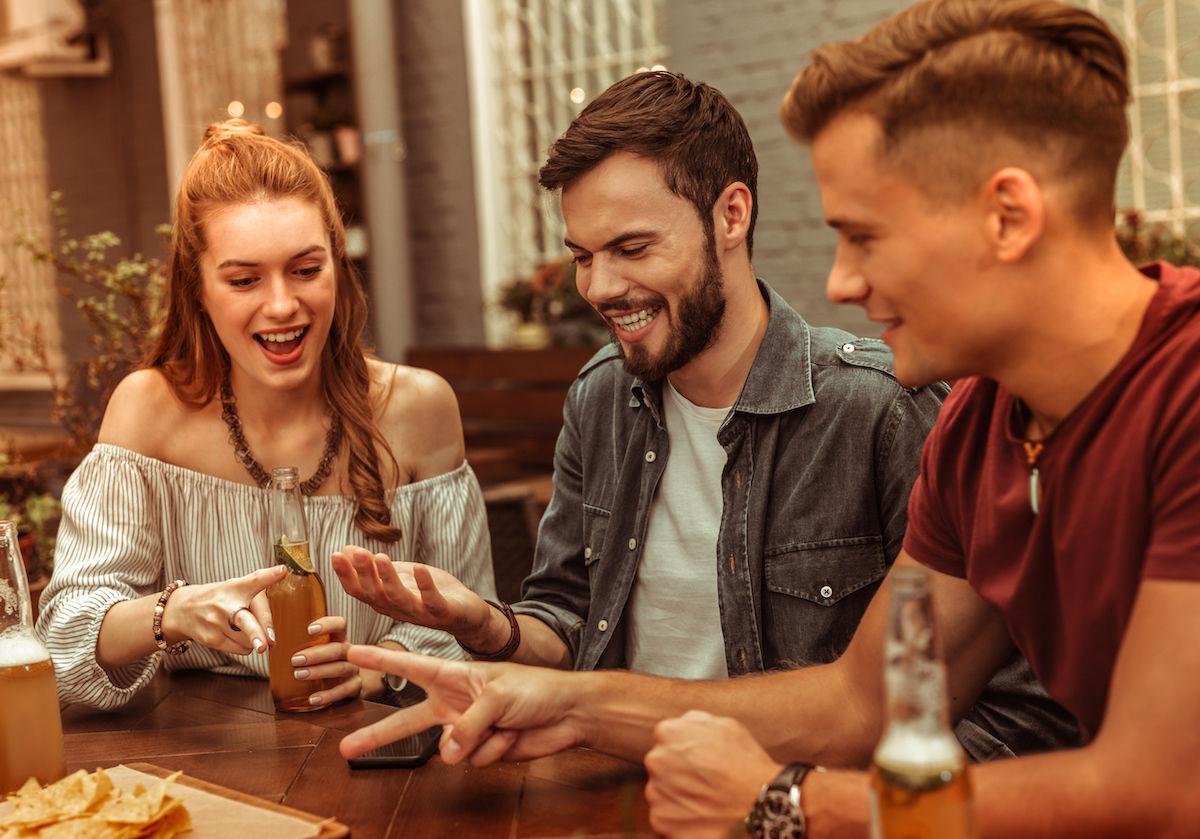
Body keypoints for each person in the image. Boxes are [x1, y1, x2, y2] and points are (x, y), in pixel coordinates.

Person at [336, 1, 1200, 839]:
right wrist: (562, 700)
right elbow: (859, 704)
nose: (840, 282)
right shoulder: (984, 423)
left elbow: (1160, 796)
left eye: (864, 235)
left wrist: (783, 806)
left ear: (1008, 216)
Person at [333, 70, 1077, 762]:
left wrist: (796, 808)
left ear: (731, 214)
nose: (599, 286)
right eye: (582, 255)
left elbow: (1015, 716)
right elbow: (571, 620)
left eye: (631, 247)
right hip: (614, 794)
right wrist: (486, 626)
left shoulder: (882, 407)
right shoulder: (600, 398)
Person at [37, 120, 494, 711]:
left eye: (306, 270)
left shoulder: (418, 408)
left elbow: (476, 627)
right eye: (244, 279)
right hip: (202, 749)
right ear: (197, 288)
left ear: (338, 264)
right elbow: (67, 636)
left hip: (382, 742)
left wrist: (374, 674)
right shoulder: (148, 410)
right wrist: (173, 613)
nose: (282, 305)